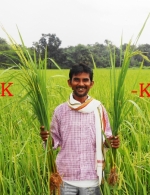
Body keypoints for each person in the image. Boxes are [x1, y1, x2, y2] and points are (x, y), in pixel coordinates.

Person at [41, 63, 120, 195]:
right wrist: (46, 139)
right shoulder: (60, 111)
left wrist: (112, 142)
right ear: (70, 82)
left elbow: (106, 138)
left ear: (91, 83)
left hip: (92, 177)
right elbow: (54, 142)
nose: (81, 84)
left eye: (85, 80)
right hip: (65, 178)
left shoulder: (99, 109)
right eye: (76, 79)